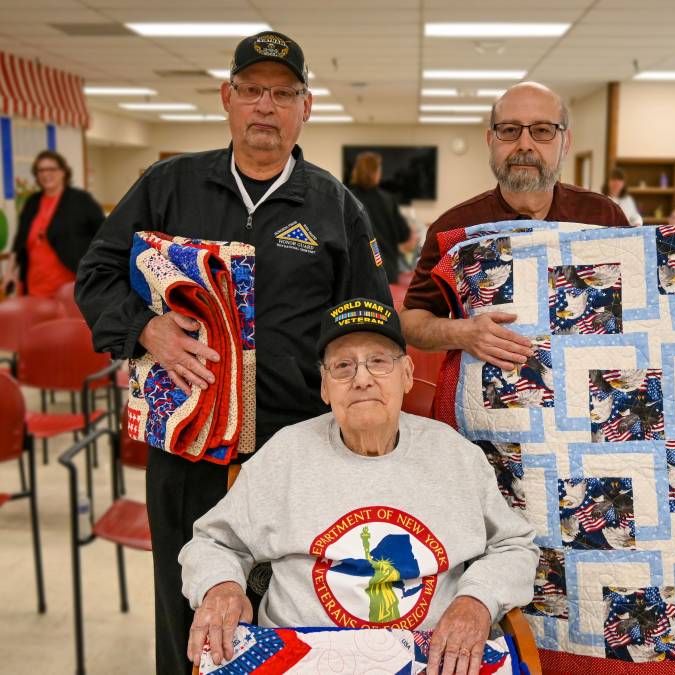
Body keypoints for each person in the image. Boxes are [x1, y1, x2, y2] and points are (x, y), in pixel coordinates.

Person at [75, 30, 391, 675]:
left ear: (307, 106)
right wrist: (146, 328)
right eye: (251, 91)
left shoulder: (335, 206)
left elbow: (371, 325)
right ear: (227, 98)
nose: (265, 107)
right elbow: (96, 276)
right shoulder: (168, 185)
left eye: (282, 93)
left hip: (297, 451)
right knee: (186, 613)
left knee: (291, 614)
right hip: (186, 446)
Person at [180, 297, 538, 673]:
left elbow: (513, 546)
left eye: (380, 361)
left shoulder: (453, 453)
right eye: (343, 366)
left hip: (430, 657)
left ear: (407, 374)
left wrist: (476, 602)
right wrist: (221, 586)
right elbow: (213, 542)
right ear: (324, 386)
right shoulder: (285, 453)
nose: (362, 378)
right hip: (302, 657)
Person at [400, 82, 675, 368]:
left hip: (593, 415)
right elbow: (412, 321)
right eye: (509, 130)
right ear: (491, 140)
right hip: (489, 419)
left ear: (564, 143)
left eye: (542, 130)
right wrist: (461, 332)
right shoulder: (454, 229)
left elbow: (659, 309)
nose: (524, 144)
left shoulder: (603, 217)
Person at [4, 150, 104, 297]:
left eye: (51, 169)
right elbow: (19, 241)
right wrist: (9, 272)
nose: (45, 174)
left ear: (63, 172)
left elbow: (103, 235)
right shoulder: (32, 202)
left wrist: (99, 272)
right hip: (33, 288)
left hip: (70, 290)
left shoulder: (81, 200)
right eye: (41, 170)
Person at [349, 151, 417, 283]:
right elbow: (404, 235)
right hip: (386, 273)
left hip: (356, 273)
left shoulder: (347, 198)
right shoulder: (388, 200)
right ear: (374, 172)